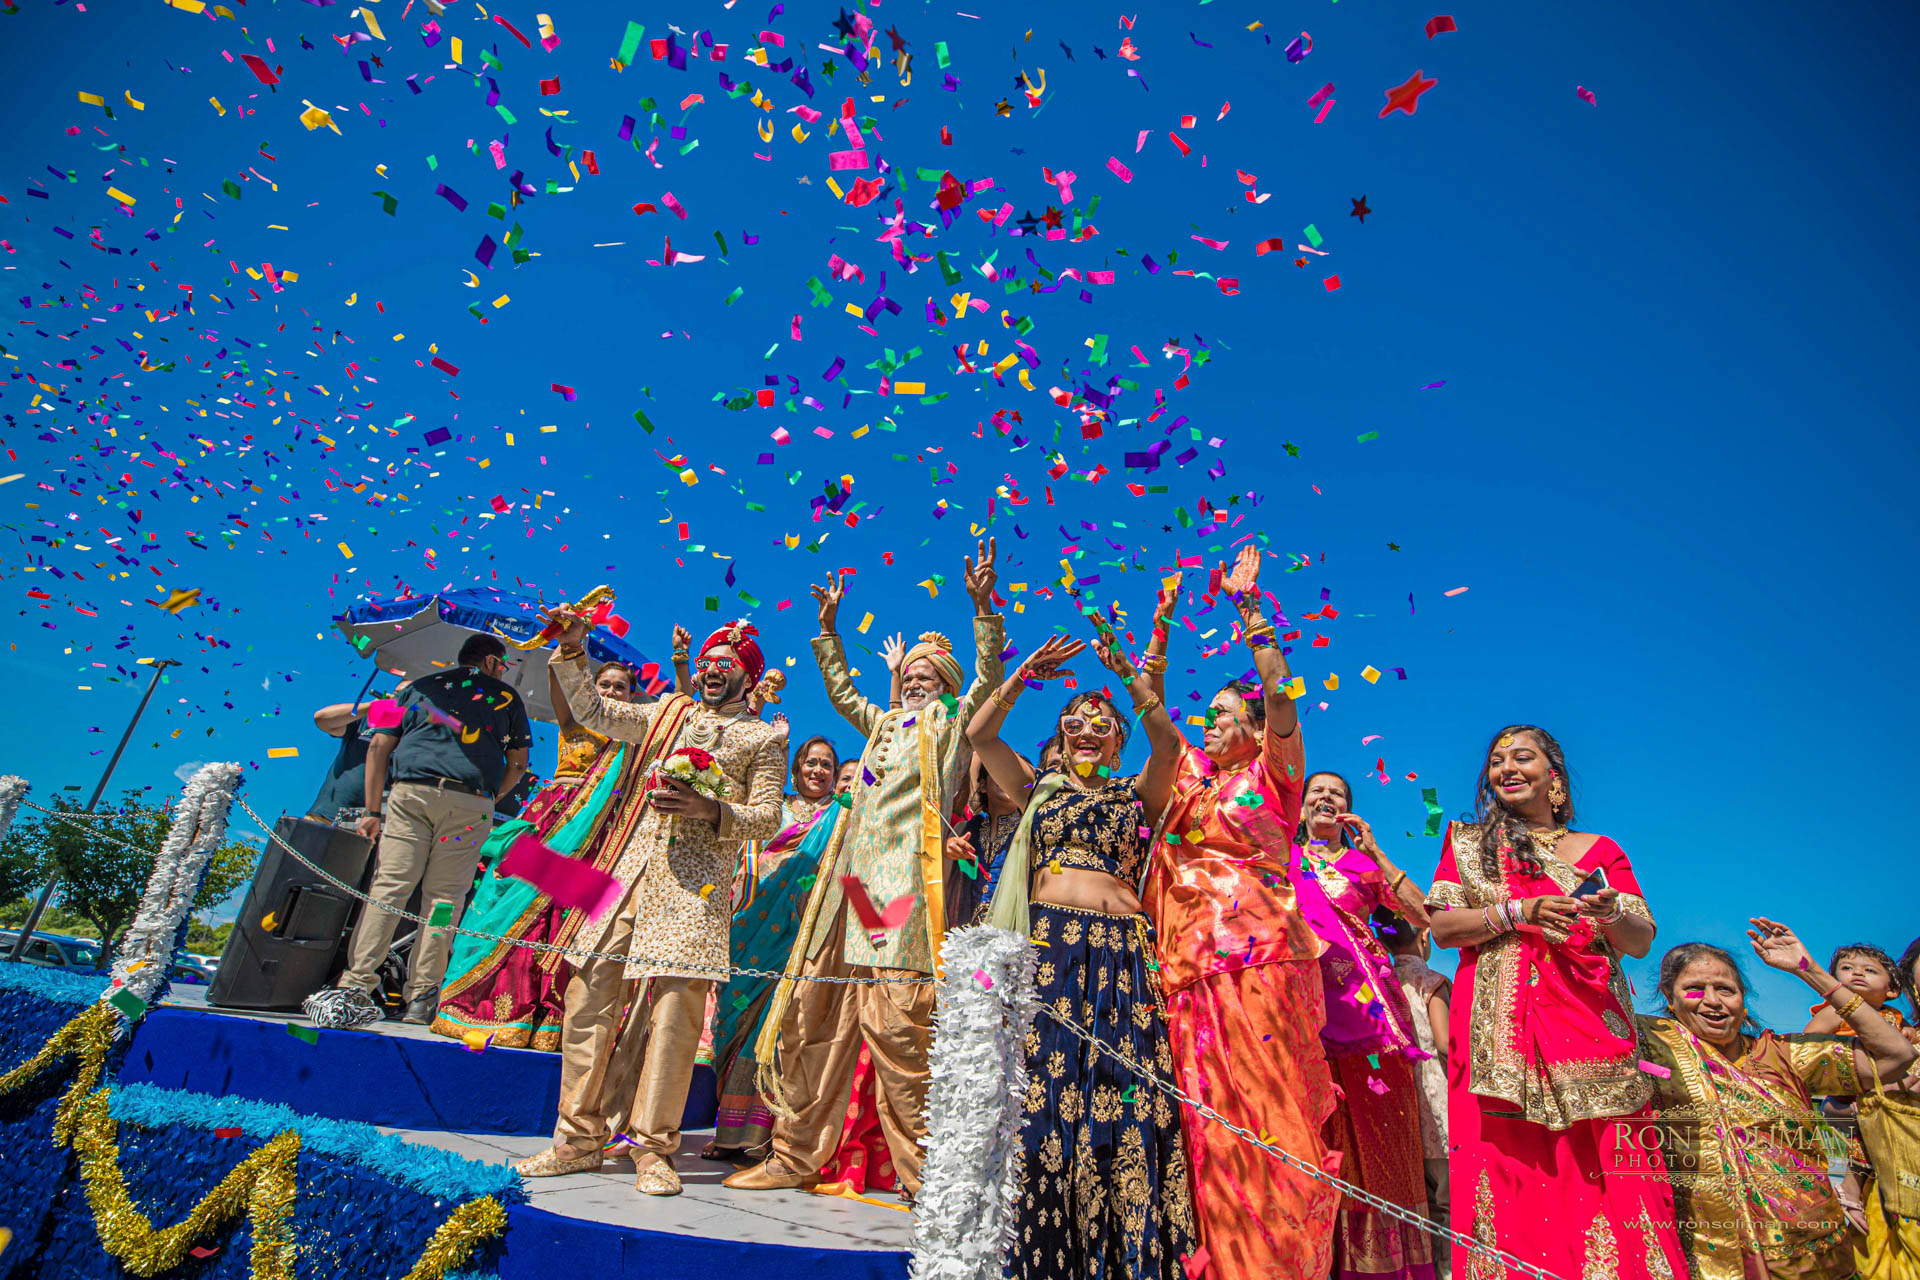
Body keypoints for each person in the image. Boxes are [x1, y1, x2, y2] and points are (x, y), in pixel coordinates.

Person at [726, 539, 1004, 1201]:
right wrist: (827, 631)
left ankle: (927, 1179)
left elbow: (990, 680)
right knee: (813, 1019)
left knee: (899, 1033)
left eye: (926, 676)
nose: (913, 682)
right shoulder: (880, 724)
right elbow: (843, 691)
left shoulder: (951, 722)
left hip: (903, 895)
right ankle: (793, 1155)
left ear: (944, 683)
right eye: (908, 675)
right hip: (846, 889)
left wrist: (982, 609)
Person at [512, 617, 787, 1197]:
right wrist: (570, 650)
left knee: (675, 1017)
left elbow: (768, 816)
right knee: (588, 999)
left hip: (696, 888)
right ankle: (577, 1142)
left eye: (726, 664)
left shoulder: (763, 738)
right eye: (708, 661)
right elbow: (595, 713)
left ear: (747, 675)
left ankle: (653, 1149)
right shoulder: (666, 712)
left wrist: (710, 811)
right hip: (626, 871)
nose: (713, 670)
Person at [1135, 549, 1342, 1280]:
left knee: (1271, 1114)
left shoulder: (1273, 775)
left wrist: (1251, 613)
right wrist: (1160, 626)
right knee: (1208, 1128)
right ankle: (1222, 1262)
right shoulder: (1190, 781)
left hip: (1262, 963)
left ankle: (1281, 1265)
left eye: (1225, 715)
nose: (1212, 723)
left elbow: (1283, 699)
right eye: (1210, 716)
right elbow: (1152, 711)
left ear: (1255, 730)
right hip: (1187, 973)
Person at [967, 630, 1197, 1280]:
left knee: (1124, 1102)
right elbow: (982, 736)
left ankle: (1123, 1256)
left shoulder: (1134, 794)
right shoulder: (1037, 787)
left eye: (1100, 724)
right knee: (1044, 1100)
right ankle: (1039, 1255)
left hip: (1123, 958)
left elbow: (1170, 745)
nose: (1086, 731)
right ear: (1062, 733)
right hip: (1051, 955)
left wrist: (1131, 678)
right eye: (1074, 722)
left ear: (1117, 738)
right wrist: (1023, 676)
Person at [1426, 725, 1686, 1280]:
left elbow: (1639, 940)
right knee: (1508, 1165)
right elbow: (1445, 929)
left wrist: (1610, 910)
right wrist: (1521, 913)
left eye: (1523, 757)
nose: (1507, 768)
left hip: (1590, 1024)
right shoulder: (1468, 845)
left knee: (1607, 1161)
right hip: (1496, 1039)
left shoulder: (1599, 850)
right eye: (1497, 761)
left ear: (1557, 781)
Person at [1638, 928, 1918, 1280]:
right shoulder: (1652, 1050)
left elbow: (1898, 1055)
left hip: (1812, 1252)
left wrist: (1810, 971)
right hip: (1709, 1255)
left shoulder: (1784, 1054)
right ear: (1669, 997)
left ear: (1743, 998)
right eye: (1694, 989)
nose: (1712, 1000)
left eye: (1726, 989)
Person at [430, 660, 647, 1050]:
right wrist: (568, 648)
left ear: (633, 697)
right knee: (521, 909)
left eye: (621, 688)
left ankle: (551, 1021)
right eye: (605, 685)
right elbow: (559, 683)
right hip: (556, 820)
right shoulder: (576, 720)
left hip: (601, 831)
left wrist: (681, 663)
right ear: (591, 689)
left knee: (567, 919)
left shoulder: (632, 738)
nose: (612, 693)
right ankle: (499, 1008)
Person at [317, 634, 532, 1027]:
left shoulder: (415, 689)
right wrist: (489, 797)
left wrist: (371, 810)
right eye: (501, 665)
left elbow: (378, 746)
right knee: (445, 899)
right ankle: (422, 997)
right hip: (470, 803)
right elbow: (517, 764)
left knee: (390, 888)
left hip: (410, 795)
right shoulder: (507, 699)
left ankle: (356, 986)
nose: (502, 672)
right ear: (488, 662)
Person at [1294, 772, 1436, 1280]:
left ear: (1350, 810)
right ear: (1300, 805)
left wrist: (1376, 854)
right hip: (1307, 1020)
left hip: (1376, 1022)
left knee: (1385, 1147)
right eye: (1316, 792)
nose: (1326, 798)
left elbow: (1423, 918)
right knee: (1326, 1147)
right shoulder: (1280, 860)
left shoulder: (1361, 865)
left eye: (1337, 793)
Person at [704, 732, 847, 1161]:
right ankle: (727, 1133)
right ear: (796, 767)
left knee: (776, 1027)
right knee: (733, 1020)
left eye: (826, 764)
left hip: (798, 931)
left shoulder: (840, 817)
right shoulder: (775, 809)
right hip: (750, 921)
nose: (818, 770)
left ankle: (760, 1135)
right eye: (811, 762)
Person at [1802, 943, 1920, 1280]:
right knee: (1845, 1144)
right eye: (1848, 970)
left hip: (1899, 1138)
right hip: (1851, 1094)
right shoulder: (1836, 1010)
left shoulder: (1892, 1019)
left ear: (1894, 990)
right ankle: (1845, 1187)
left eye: (1869, 971)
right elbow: (1808, 1042)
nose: (1857, 975)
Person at [1381, 916, 1453, 1280]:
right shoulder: (1432, 982)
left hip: (1403, 1114)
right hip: (1439, 1110)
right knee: (1450, 1206)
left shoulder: (1380, 983)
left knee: (1423, 1207)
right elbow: (1444, 1044)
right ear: (1424, 939)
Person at [307, 694, 389, 825]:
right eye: (397, 693)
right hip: (327, 816)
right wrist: (372, 706)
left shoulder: (415, 735)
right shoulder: (367, 721)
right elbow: (322, 719)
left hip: (369, 825)